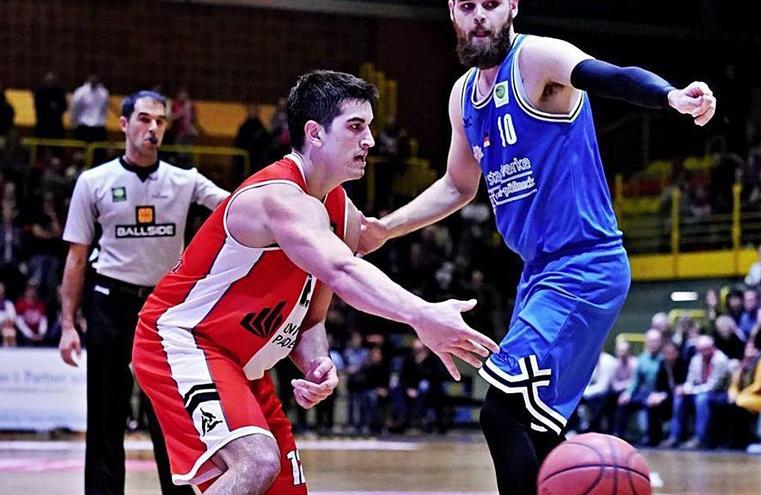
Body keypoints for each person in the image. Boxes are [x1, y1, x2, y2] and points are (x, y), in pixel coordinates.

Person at [358, 2, 716, 492]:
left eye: (491, 3)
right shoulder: (462, 96)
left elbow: (610, 75)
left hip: (584, 265)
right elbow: (457, 186)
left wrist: (671, 97)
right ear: (452, 13)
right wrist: (385, 229)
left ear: (512, 7)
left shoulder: (537, 60)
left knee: (500, 414)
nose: (479, 15)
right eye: (468, 6)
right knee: (539, 430)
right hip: (539, 272)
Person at [131, 71, 498, 495]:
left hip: (243, 364)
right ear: (314, 133)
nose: (370, 142)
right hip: (182, 340)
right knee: (255, 462)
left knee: (286, 487)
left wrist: (317, 365)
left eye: (371, 128)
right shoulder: (278, 197)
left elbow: (311, 318)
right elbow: (343, 272)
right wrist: (421, 314)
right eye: (356, 127)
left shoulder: (340, 211)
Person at [58, 90, 229, 495]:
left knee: (170, 412)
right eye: (144, 119)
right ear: (124, 124)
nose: (152, 128)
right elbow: (76, 258)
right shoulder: (93, 182)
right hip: (108, 302)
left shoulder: (185, 180)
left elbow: (235, 208)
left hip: (164, 307)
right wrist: (68, 324)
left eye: (160, 121)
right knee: (105, 412)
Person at [70, 72, 110, 143]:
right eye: (92, 77)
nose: (94, 79)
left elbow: (104, 109)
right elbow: (75, 108)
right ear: (88, 78)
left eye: (95, 77)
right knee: (81, 151)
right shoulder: (80, 92)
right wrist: (74, 121)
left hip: (98, 125)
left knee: (98, 151)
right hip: (83, 125)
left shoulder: (104, 92)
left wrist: (103, 121)